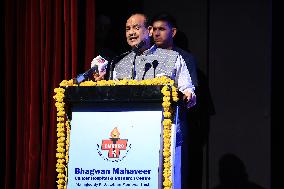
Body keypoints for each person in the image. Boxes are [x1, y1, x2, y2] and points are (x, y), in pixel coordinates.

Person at [151, 12, 215, 189]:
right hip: (149, 124)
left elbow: (189, 91)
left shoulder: (184, 58)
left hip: (177, 123)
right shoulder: (147, 56)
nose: (156, 33)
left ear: (173, 32)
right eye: (154, 29)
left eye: (162, 29)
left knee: (178, 172)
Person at [112, 13, 196, 107]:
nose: (131, 32)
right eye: (128, 29)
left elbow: (187, 89)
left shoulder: (172, 57)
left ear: (150, 30)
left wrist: (188, 95)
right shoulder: (120, 63)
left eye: (136, 28)